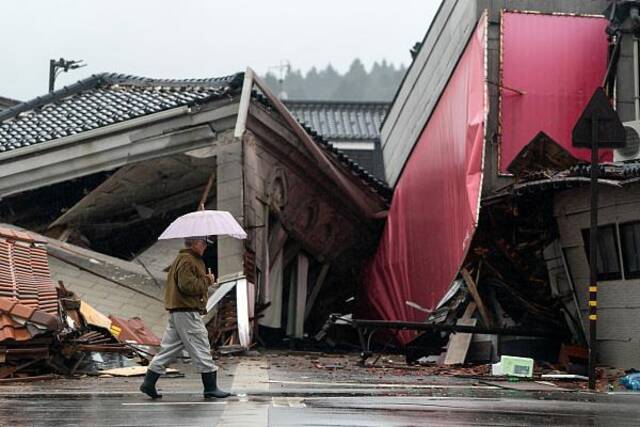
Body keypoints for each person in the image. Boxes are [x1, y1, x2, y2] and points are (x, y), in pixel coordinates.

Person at [140, 236, 231, 399]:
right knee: (201, 345)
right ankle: (210, 387)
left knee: (168, 349)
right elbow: (187, 286)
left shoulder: (183, 258)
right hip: (187, 312)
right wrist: (207, 280)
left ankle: (148, 383)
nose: (205, 247)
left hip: (178, 312)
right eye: (203, 243)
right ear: (195, 243)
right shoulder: (188, 261)